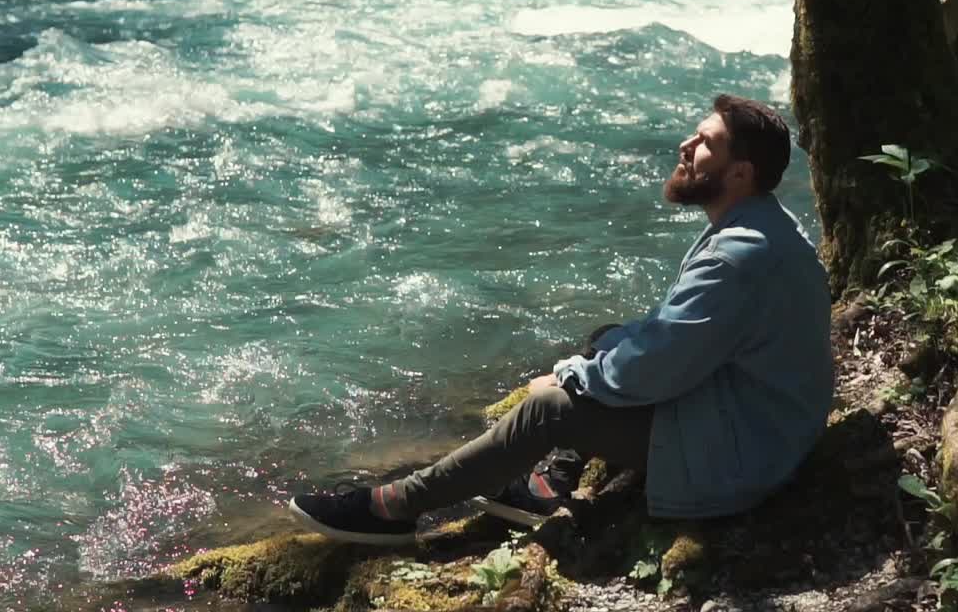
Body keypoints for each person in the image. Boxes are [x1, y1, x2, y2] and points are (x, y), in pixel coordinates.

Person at [288, 94, 835, 544]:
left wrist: (570, 375)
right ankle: (547, 487)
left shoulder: (735, 257)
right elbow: (672, 341)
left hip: (743, 456)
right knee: (606, 341)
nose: (685, 147)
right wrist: (597, 357)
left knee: (549, 408)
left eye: (704, 144)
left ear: (740, 172)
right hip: (763, 424)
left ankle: (391, 509)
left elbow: (653, 369)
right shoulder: (761, 223)